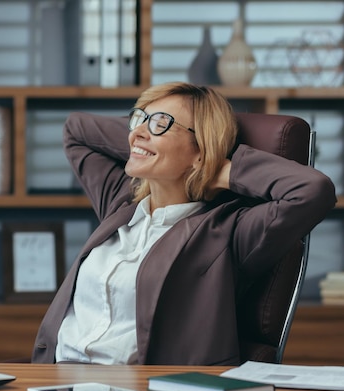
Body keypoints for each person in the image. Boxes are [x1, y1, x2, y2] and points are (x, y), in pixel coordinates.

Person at [31, 82, 336, 366]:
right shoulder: (120, 202)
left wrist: (224, 167)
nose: (138, 131)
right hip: (53, 380)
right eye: (139, 118)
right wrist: (145, 138)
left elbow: (313, 192)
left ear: (200, 150)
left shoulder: (228, 232)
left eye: (161, 123)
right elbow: (77, 129)